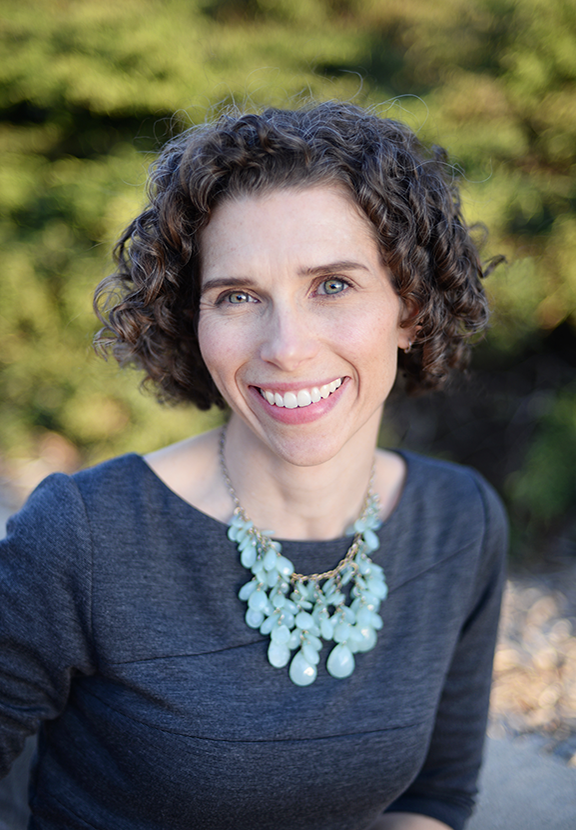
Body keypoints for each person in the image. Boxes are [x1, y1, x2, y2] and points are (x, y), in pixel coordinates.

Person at [0, 103, 507, 830]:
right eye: (237, 296)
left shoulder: (461, 520)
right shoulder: (82, 537)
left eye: (332, 284)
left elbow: (433, 798)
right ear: (191, 321)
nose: (287, 347)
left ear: (411, 308)